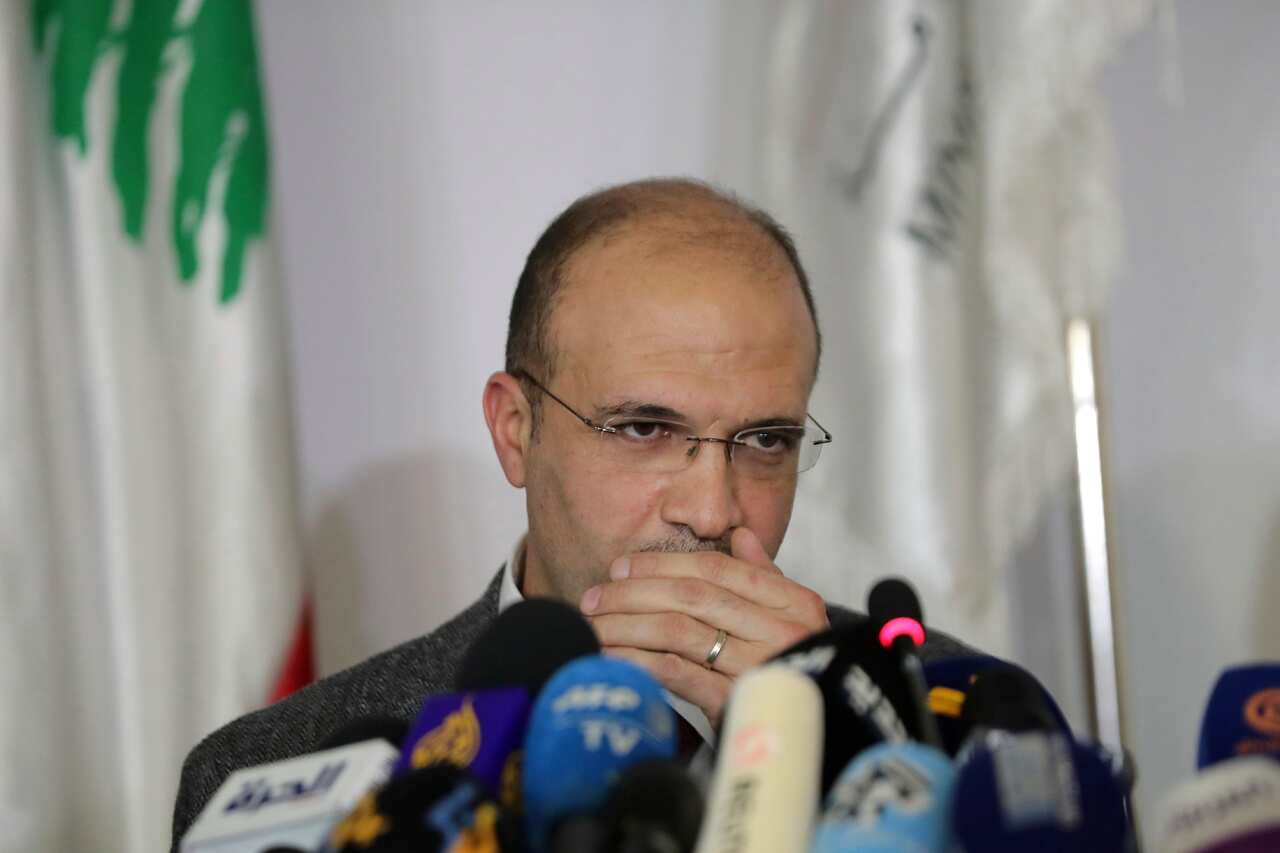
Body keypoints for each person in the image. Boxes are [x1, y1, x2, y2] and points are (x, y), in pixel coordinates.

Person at [169, 178, 970, 845]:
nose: (713, 507)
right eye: (646, 429)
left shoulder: (958, 726)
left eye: (765, 440)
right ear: (516, 431)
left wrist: (844, 764)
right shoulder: (269, 769)